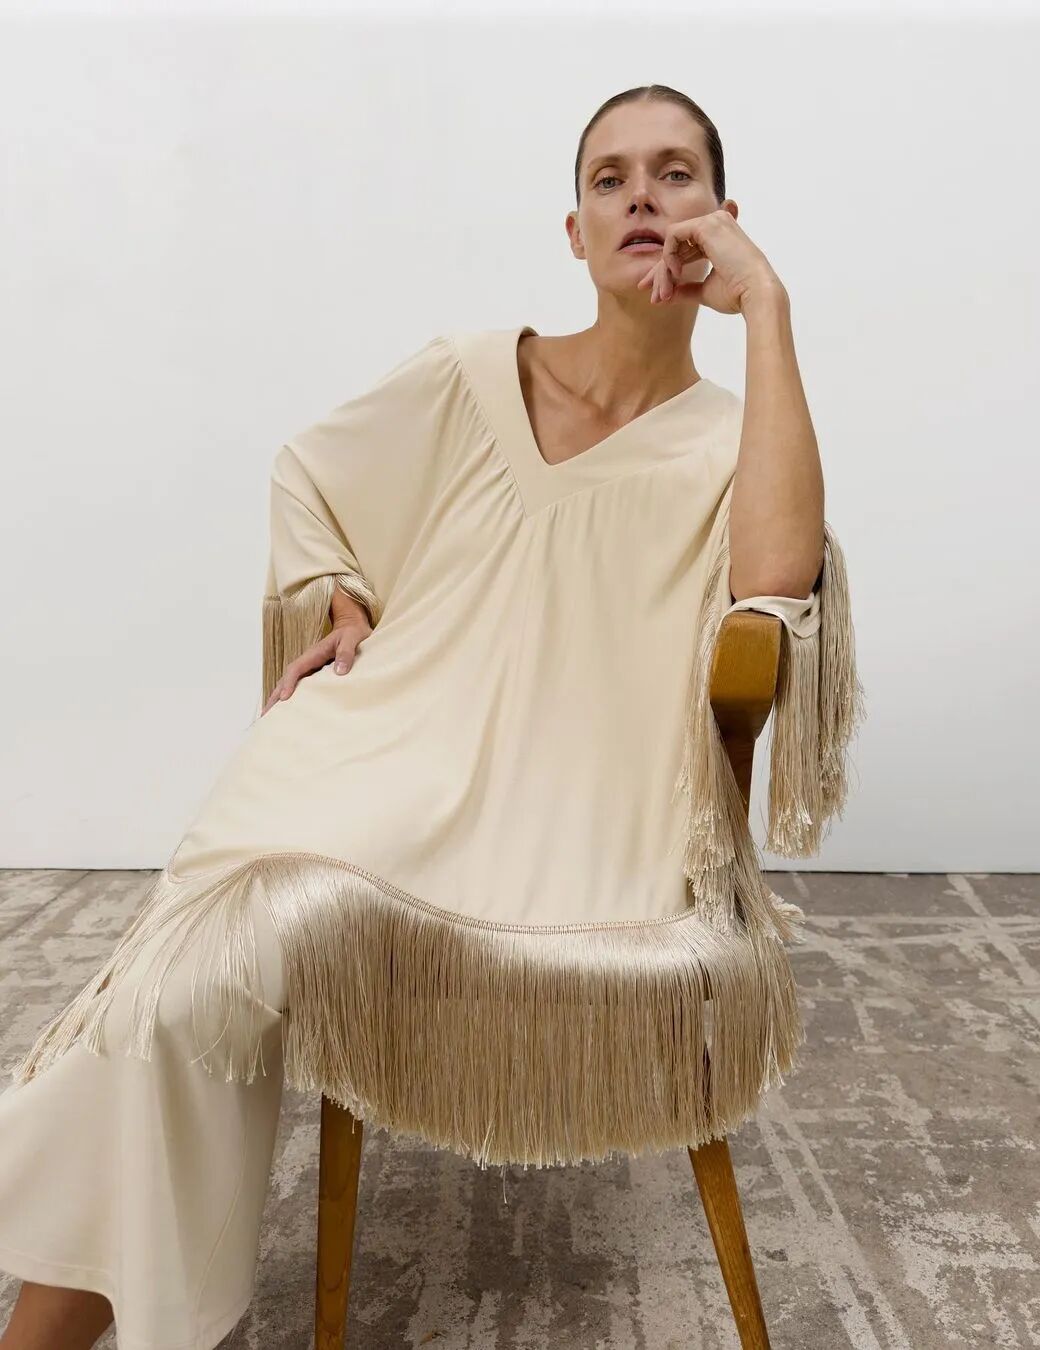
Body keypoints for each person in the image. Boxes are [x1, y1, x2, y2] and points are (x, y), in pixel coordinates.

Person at [0, 83, 865, 1349]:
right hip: (376, 756)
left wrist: (770, 308)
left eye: (675, 173)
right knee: (178, 992)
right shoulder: (470, 375)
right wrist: (335, 590)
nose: (641, 195)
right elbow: (309, 473)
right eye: (610, 178)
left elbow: (776, 587)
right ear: (574, 230)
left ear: (723, 216)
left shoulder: (741, 440)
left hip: (573, 826)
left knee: (192, 991)